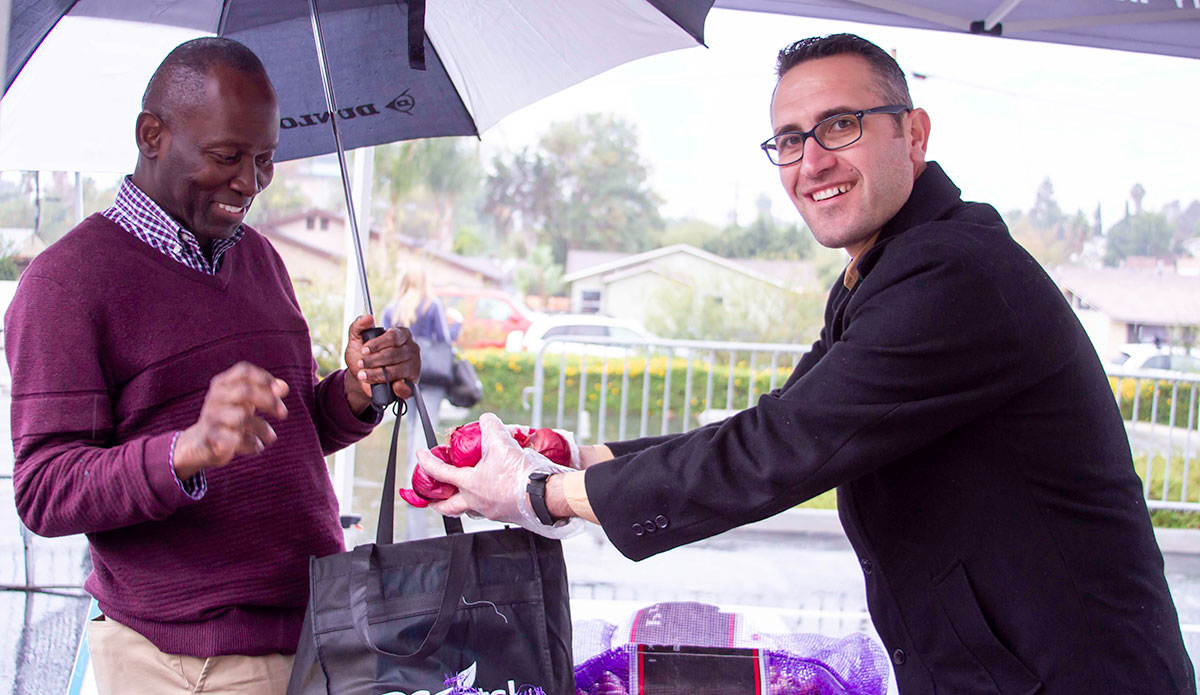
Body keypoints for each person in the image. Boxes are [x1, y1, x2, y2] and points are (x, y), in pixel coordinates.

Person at [421, 34, 1197, 694]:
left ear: (914, 133)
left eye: (841, 124)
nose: (811, 160)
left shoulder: (956, 277)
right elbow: (778, 422)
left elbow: (780, 451)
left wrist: (541, 492)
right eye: (789, 139)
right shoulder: (886, 271)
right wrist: (573, 455)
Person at [5, 38, 419, 695]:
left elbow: (287, 433)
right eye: (227, 157)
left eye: (265, 161)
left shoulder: (258, 257)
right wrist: (186, 451)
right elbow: (45, 488)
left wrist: (356, 391)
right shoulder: (67, 283)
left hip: (311, 630)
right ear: (152, 136)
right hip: (188, 665)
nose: (250, 184)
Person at [382, 261, 454, 538]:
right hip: (432, 379)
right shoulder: (432, 306)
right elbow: (444, 341)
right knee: (425, 432)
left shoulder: (392, 308)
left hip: (404, 379)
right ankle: (420, 487)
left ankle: (411, 485)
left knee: (412, 429)